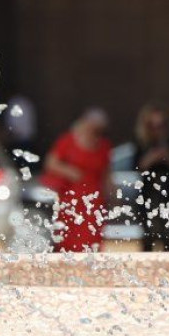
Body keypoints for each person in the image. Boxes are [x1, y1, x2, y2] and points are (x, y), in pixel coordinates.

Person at [41, 108, 113, 252]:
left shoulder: (104, 146)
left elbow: (106, 174)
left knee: (91, 237)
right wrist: (69, 171)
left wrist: (111, 195)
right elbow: (50, 163)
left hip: (94, 199)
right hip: (71, 197)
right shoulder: (67, 141)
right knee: (68, 236)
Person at [133, 103, 169, 252]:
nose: (157, 129)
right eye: (153, 125)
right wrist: (152, 157)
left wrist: (167, 155)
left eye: (161, 125)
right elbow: (138, 166)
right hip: (149, 193)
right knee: (148, 233)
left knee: (168, 234)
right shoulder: (142, 143)